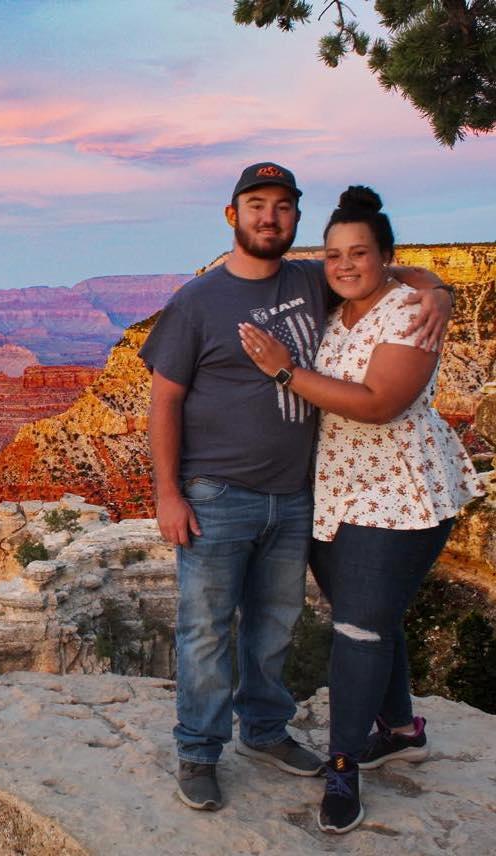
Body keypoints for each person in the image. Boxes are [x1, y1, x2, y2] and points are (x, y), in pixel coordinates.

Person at [138, 163, 452, 813]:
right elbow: (163, 402)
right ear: (233, 215)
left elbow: (386, 272)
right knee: (206, 630)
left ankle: (264, 732)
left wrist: (438, 289)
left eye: (283, 207)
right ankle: (198, 750)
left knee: (275, 626)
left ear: (295, 220)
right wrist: (168, 493)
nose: (269, 217)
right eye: (256, 205)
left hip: (300, 496)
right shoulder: (197, 302)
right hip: (217, 495)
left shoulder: (314, 279)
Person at [238, 185, 483, 834]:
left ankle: (344, 764)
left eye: (360, 253)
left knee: (358, 631)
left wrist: (285, 372)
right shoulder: (335, 306)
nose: (345, 264)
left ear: (385, 255)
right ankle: (401, 728)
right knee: (368, 617)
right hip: (334, 491)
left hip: (402, 493)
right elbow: (409, 270)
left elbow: (378, 402)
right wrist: (437, 281)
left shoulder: (409, 315)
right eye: (334, 253)